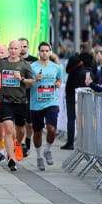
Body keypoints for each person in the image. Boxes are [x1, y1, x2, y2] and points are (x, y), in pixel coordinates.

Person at [0, 40, 34, 172]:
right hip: (5, 101)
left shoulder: (25, 65)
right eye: (10, 48)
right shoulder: (2, 62)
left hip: (20, 101)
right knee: (8, 128)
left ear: (20, 50)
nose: (13, 51)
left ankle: (18, 144)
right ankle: (11, 158)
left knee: (20, 130)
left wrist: (21, 79)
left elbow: (31, 83)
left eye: (15, 49)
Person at [29, 42, 63, 171]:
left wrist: (58, 83)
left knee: (51, 129)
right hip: (36, 103)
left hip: (51, 102)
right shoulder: (32, 67)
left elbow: (59, 79)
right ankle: (38, 156)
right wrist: (35, 80)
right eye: (42, 51)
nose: (44, 53)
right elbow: (27, 84)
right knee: (37, 132)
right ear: (39, 52)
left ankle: (47, 149)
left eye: (47, 51)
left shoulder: (57, 67)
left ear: (50, 52)